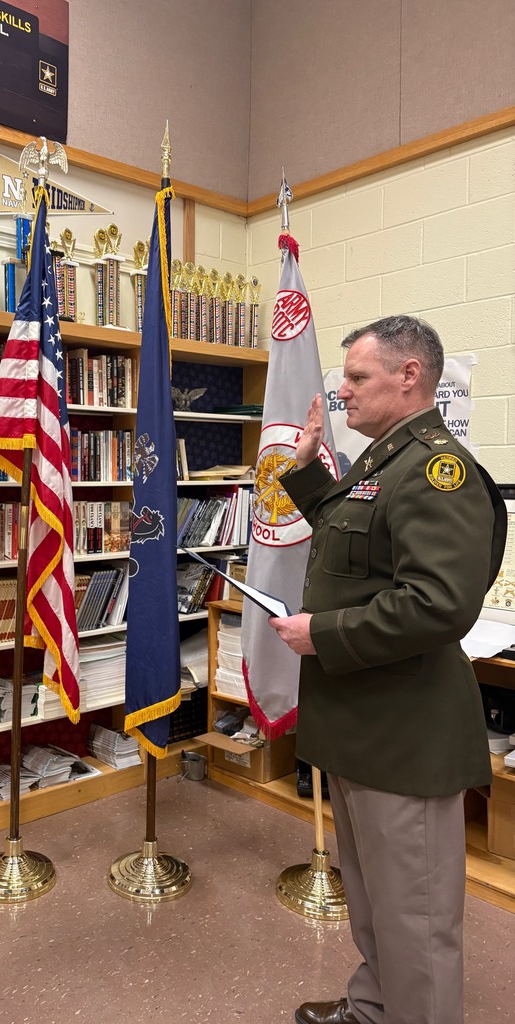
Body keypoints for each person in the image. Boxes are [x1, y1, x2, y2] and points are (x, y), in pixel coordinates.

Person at [267, 315, 506, 1024]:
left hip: (403, 738)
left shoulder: (439, 469)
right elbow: (356, 538)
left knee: (417, 919)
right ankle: (375, 1009)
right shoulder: (386, 462)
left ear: (409, 376)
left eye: (357, 378)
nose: (342, 392)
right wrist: (309, 467)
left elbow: (438, 606)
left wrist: (323, 634)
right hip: (360, 728)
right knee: (373, 902)